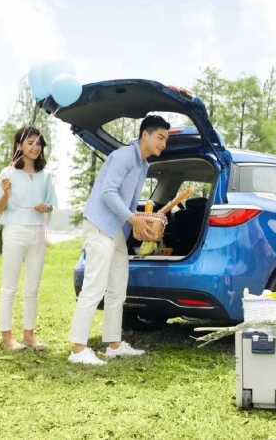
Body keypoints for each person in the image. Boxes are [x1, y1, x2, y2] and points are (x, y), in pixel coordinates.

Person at [68, 114, 170, 365]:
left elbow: (128, 203)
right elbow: (107, 193)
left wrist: (140, 222)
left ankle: (114, 344)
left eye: (165, 140)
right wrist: (133, 219)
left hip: (116, 232)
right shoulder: (125, 156)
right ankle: (78, 349)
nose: (163, 144)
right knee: (94, 286)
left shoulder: (143, 164)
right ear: (144, 134)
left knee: (117, 288)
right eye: (160, 137)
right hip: (101, 226)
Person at [0, 126, 57, 351]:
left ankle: (29, 335)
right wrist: (7, 194)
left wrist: (45, 207)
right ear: (19, 145)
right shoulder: (7, 173)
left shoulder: (46, 175)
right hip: (15, 231)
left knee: (33, 287)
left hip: (37, 232)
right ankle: (7, 337)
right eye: (30, 143)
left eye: (38, 143)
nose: (35, 147)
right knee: (9, 287)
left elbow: (51, 205)